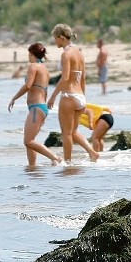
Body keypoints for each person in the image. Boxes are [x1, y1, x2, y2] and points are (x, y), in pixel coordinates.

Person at [47, 23, 99, 163]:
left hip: (68, 96)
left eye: (55, 38)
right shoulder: (79, 53)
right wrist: (83, 99)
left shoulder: (66, 54)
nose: (54, 41)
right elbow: (82, 78)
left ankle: (68, 163)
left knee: (66, 133)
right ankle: (92, 153)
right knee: (74, 132)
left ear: (62, 37)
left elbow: (64, 78)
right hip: (80, 95)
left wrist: (52, 97)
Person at [7, 42, 62, 166]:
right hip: (41, 107)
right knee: (31, 141)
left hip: (37, 108)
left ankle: (55, 158)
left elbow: (28, 85)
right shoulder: (44, 69)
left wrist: (14, 98)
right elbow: (45, 90)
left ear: (31, 54)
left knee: (28, 141)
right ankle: (32, 167)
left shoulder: (33, 66)